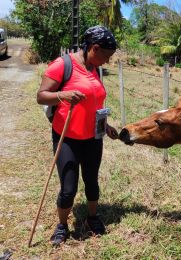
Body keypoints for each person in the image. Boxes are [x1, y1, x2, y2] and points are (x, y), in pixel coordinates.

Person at [37, 25, 119, 247]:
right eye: (106, 56)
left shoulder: (95, 67)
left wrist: (107, 125)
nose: (108, 62)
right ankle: (62, 225)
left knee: (92, 180)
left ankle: (92, 217)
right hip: (68, 137)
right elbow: (42, 96)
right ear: (94, 48)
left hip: (93, 136)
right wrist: (63, 94)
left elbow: (94, 103)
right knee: (69, 186)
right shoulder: (62, 65)